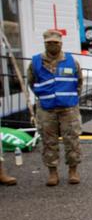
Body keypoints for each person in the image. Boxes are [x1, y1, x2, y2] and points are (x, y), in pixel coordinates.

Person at [27, 29, 83, 187]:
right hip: (46, 108)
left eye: (55, 43)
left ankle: (73, 170)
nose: (52, 45)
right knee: (48, 141)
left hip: (69, 107)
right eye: (49, 43)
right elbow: (31, 82)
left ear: (61, 43)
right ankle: (52, 172)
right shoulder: (36, 62)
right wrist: (44, 95)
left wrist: (71, 97)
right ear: (45, 43)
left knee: (72, 139)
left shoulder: (71, 61)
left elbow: (79, 81)